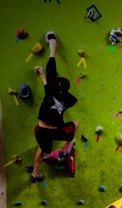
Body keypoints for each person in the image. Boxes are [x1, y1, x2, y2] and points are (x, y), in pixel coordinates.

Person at [31, 31, 79, 183]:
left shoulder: (52, 89)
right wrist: (43, 77)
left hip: (42, 130)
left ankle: (34, 174)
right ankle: (67, 146)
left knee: (41, 148)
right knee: (75, 124)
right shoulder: (68, 99)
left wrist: (52, 49)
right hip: (56, 132)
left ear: (57, 84)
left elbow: (52, 69)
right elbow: (50, 93)